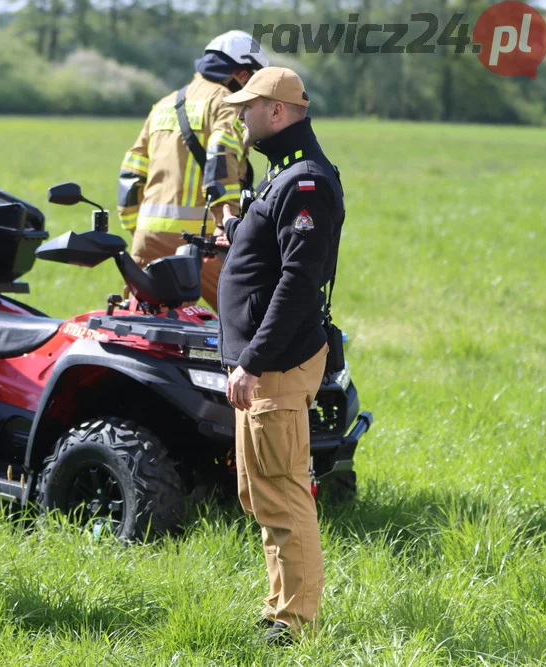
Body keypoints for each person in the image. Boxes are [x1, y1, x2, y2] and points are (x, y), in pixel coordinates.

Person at [216, 67, 344, 644]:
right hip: (264, 360)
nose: (240, 118)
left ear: (276, 111)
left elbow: (298, 281)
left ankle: (294, 623)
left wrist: (255, 360)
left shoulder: (306, 180)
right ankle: (279, 606)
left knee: (283, 489)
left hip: (278, 363)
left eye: (247, 108)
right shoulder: (283, 174)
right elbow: (274, 258)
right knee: (260, 488)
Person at [116, 30, 268, 309]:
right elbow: (220, 161)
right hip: (203, 241)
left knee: (141, 328)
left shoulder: (164, 105)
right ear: (240, 74)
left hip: (147, 237)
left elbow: (131, 171)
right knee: (252, 315)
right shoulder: (225, 104)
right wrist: (227, 225)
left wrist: (136, 229)